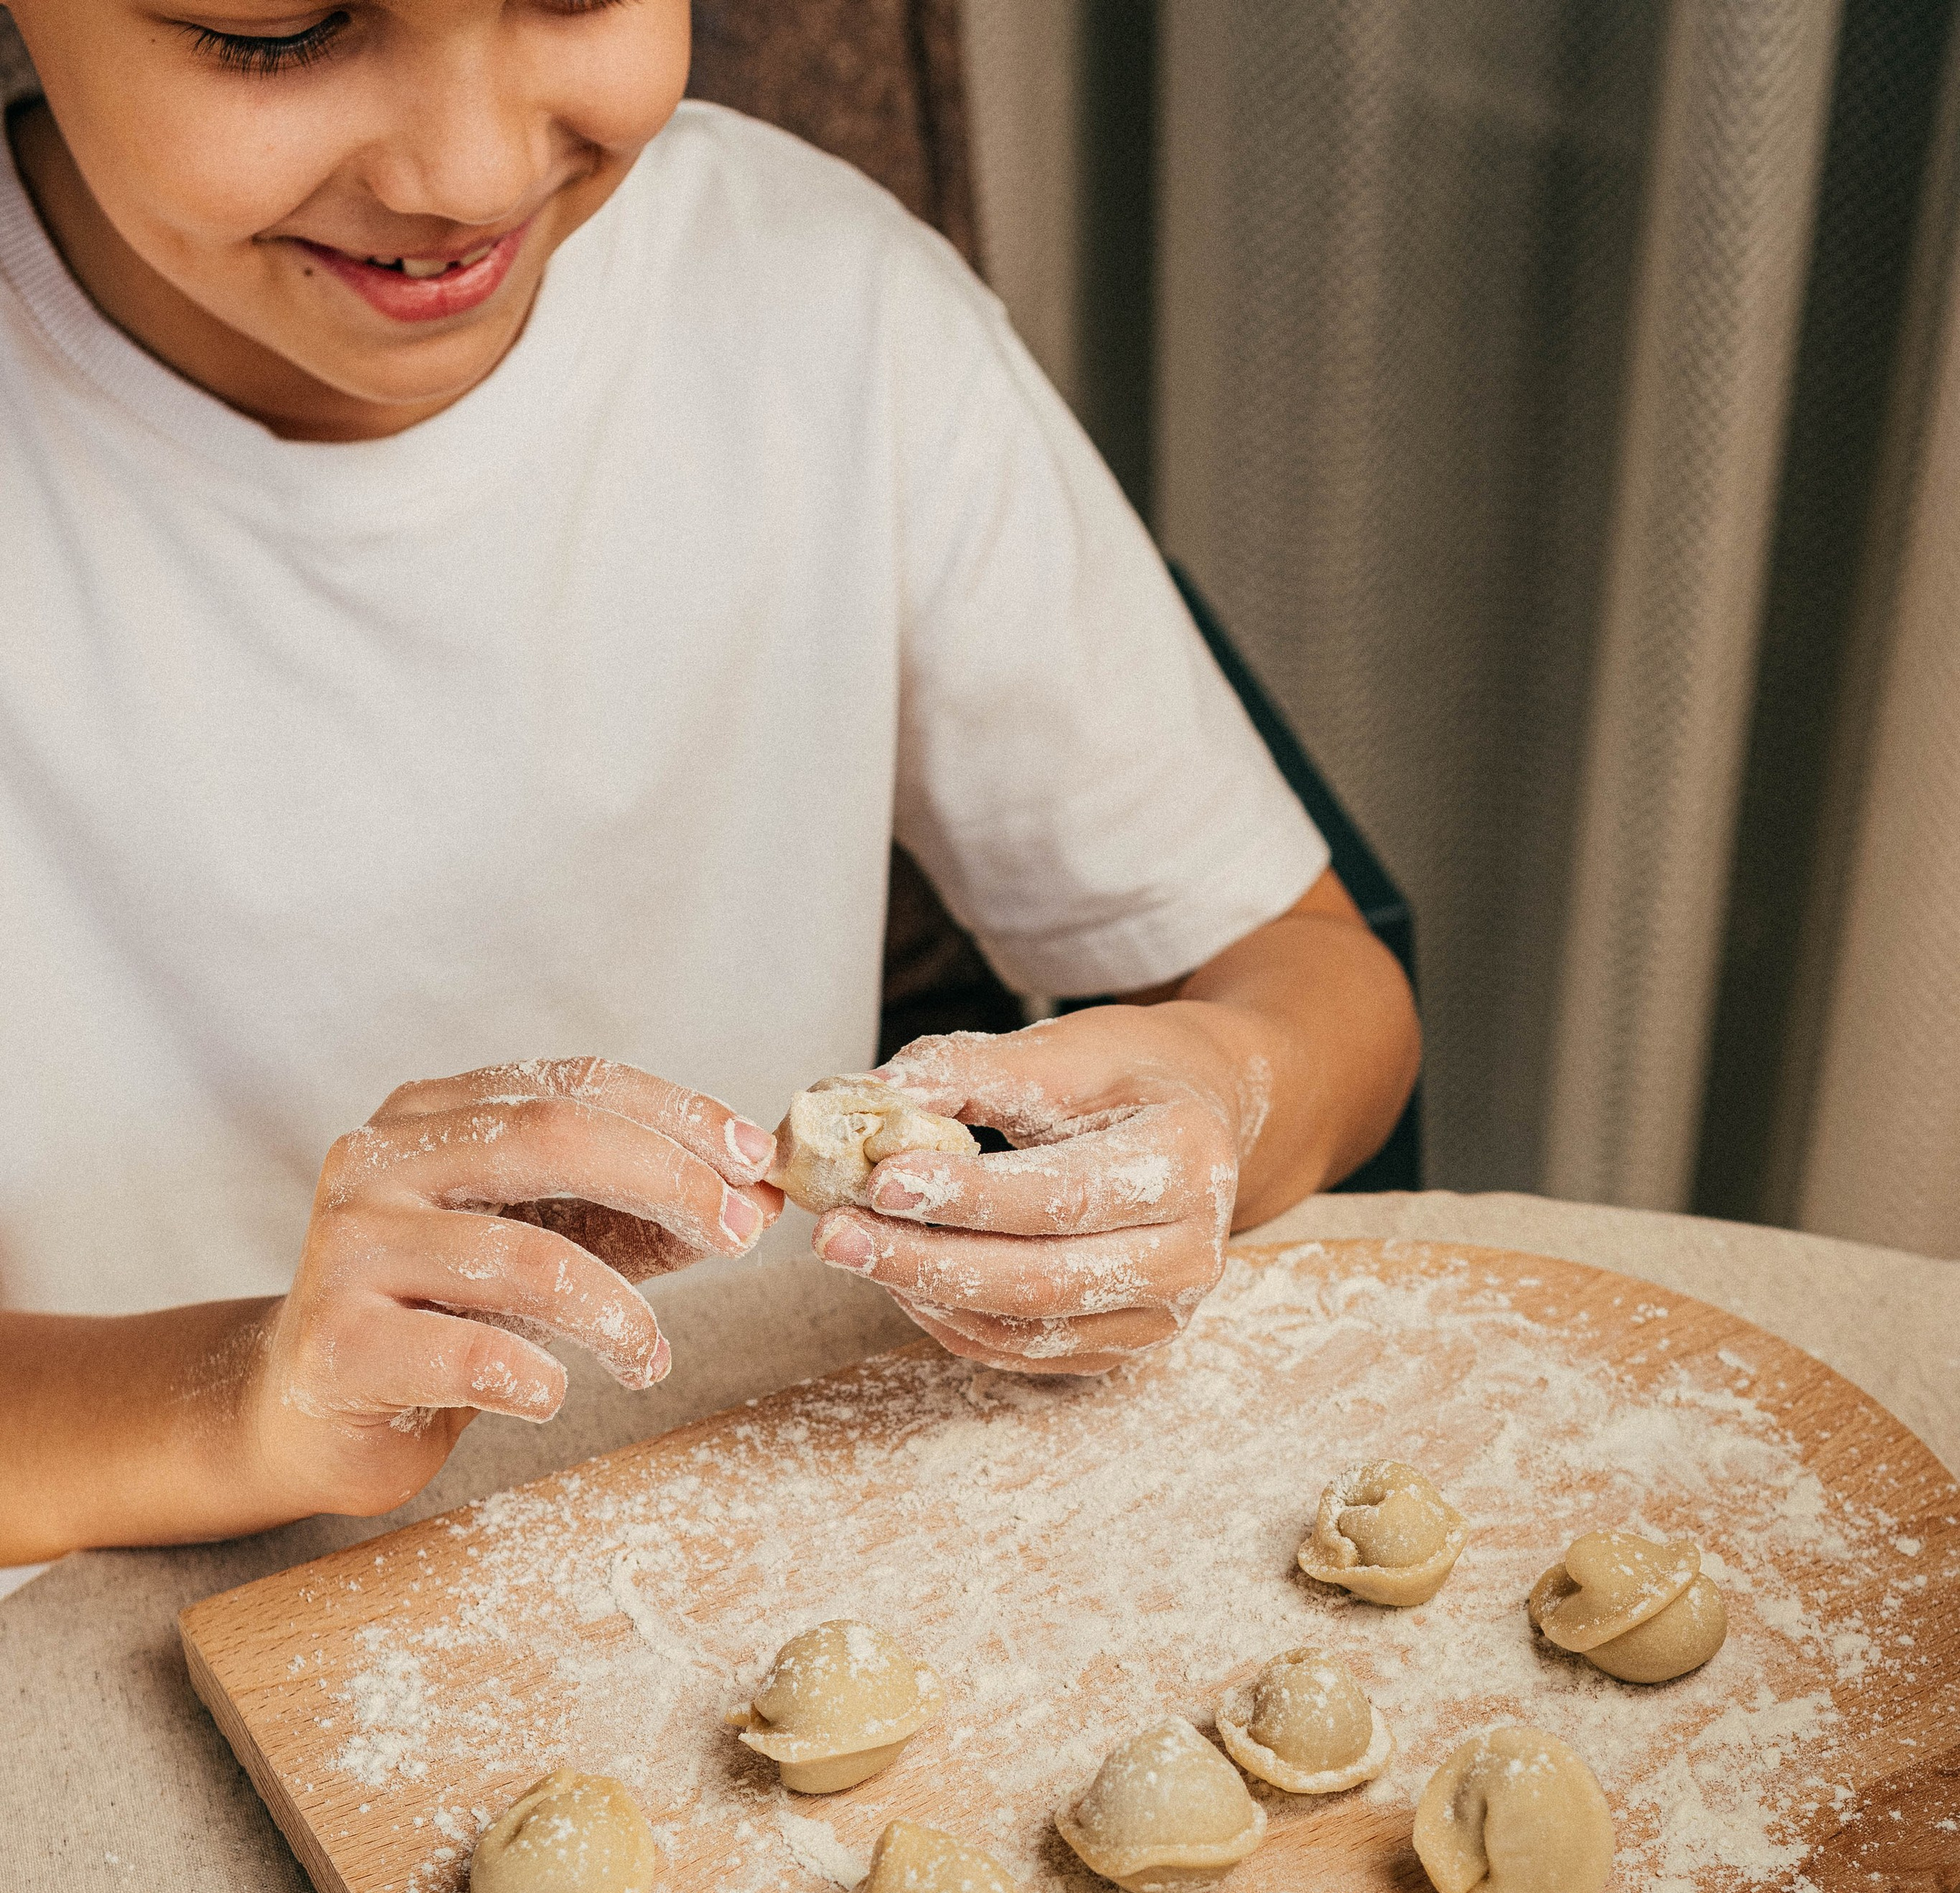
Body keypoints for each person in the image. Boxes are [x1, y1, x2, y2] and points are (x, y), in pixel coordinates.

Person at [0, 0, 1419, 1565]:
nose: (467, 169)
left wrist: (1222, 1098)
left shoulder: (820, 310)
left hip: (736, 1558)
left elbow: (1319, 987)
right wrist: (240, 1399)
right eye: (273, 32)